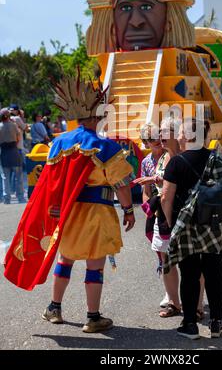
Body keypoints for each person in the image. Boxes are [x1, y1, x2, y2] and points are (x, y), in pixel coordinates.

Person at [4, 72, 136, 333]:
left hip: (67, 212)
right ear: (97, 115)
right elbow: (122, 185)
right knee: (95, 264)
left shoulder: (59, 142)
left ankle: (54, 308)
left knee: (65, 259)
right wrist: (130, 210)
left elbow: (50, 184)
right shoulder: (105, 147)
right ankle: (93, 317)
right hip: (97, 212)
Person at [161, 118, 222, 339]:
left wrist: (169, 221)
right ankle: (216, 323)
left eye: (181, 133)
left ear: (186, 136)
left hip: (187, 227)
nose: (178, 137)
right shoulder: (217, 160)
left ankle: (190, 325)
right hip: (214, 226)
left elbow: (166, 197)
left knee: (190, 274)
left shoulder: (176, 163)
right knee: (215, 273)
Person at [134, 117, 181, 318]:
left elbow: (167, 181)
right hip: (157, 208)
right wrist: (147, 207)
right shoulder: (146, 162)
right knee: (162, 254)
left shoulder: (168, 154)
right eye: (146, 141)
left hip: (170, 205)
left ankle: (183, 298)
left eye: (153, 138)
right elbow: (146, 190)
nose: (151, 143)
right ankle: (170, 294)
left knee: (178, 253)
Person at [0, 108, 25, 204]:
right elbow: (18, 138)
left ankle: (7, 198)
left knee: (5, 177)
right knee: (18, 176)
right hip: (14, 151)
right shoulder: (14, 125)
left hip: (4, 153)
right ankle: (20, 197)